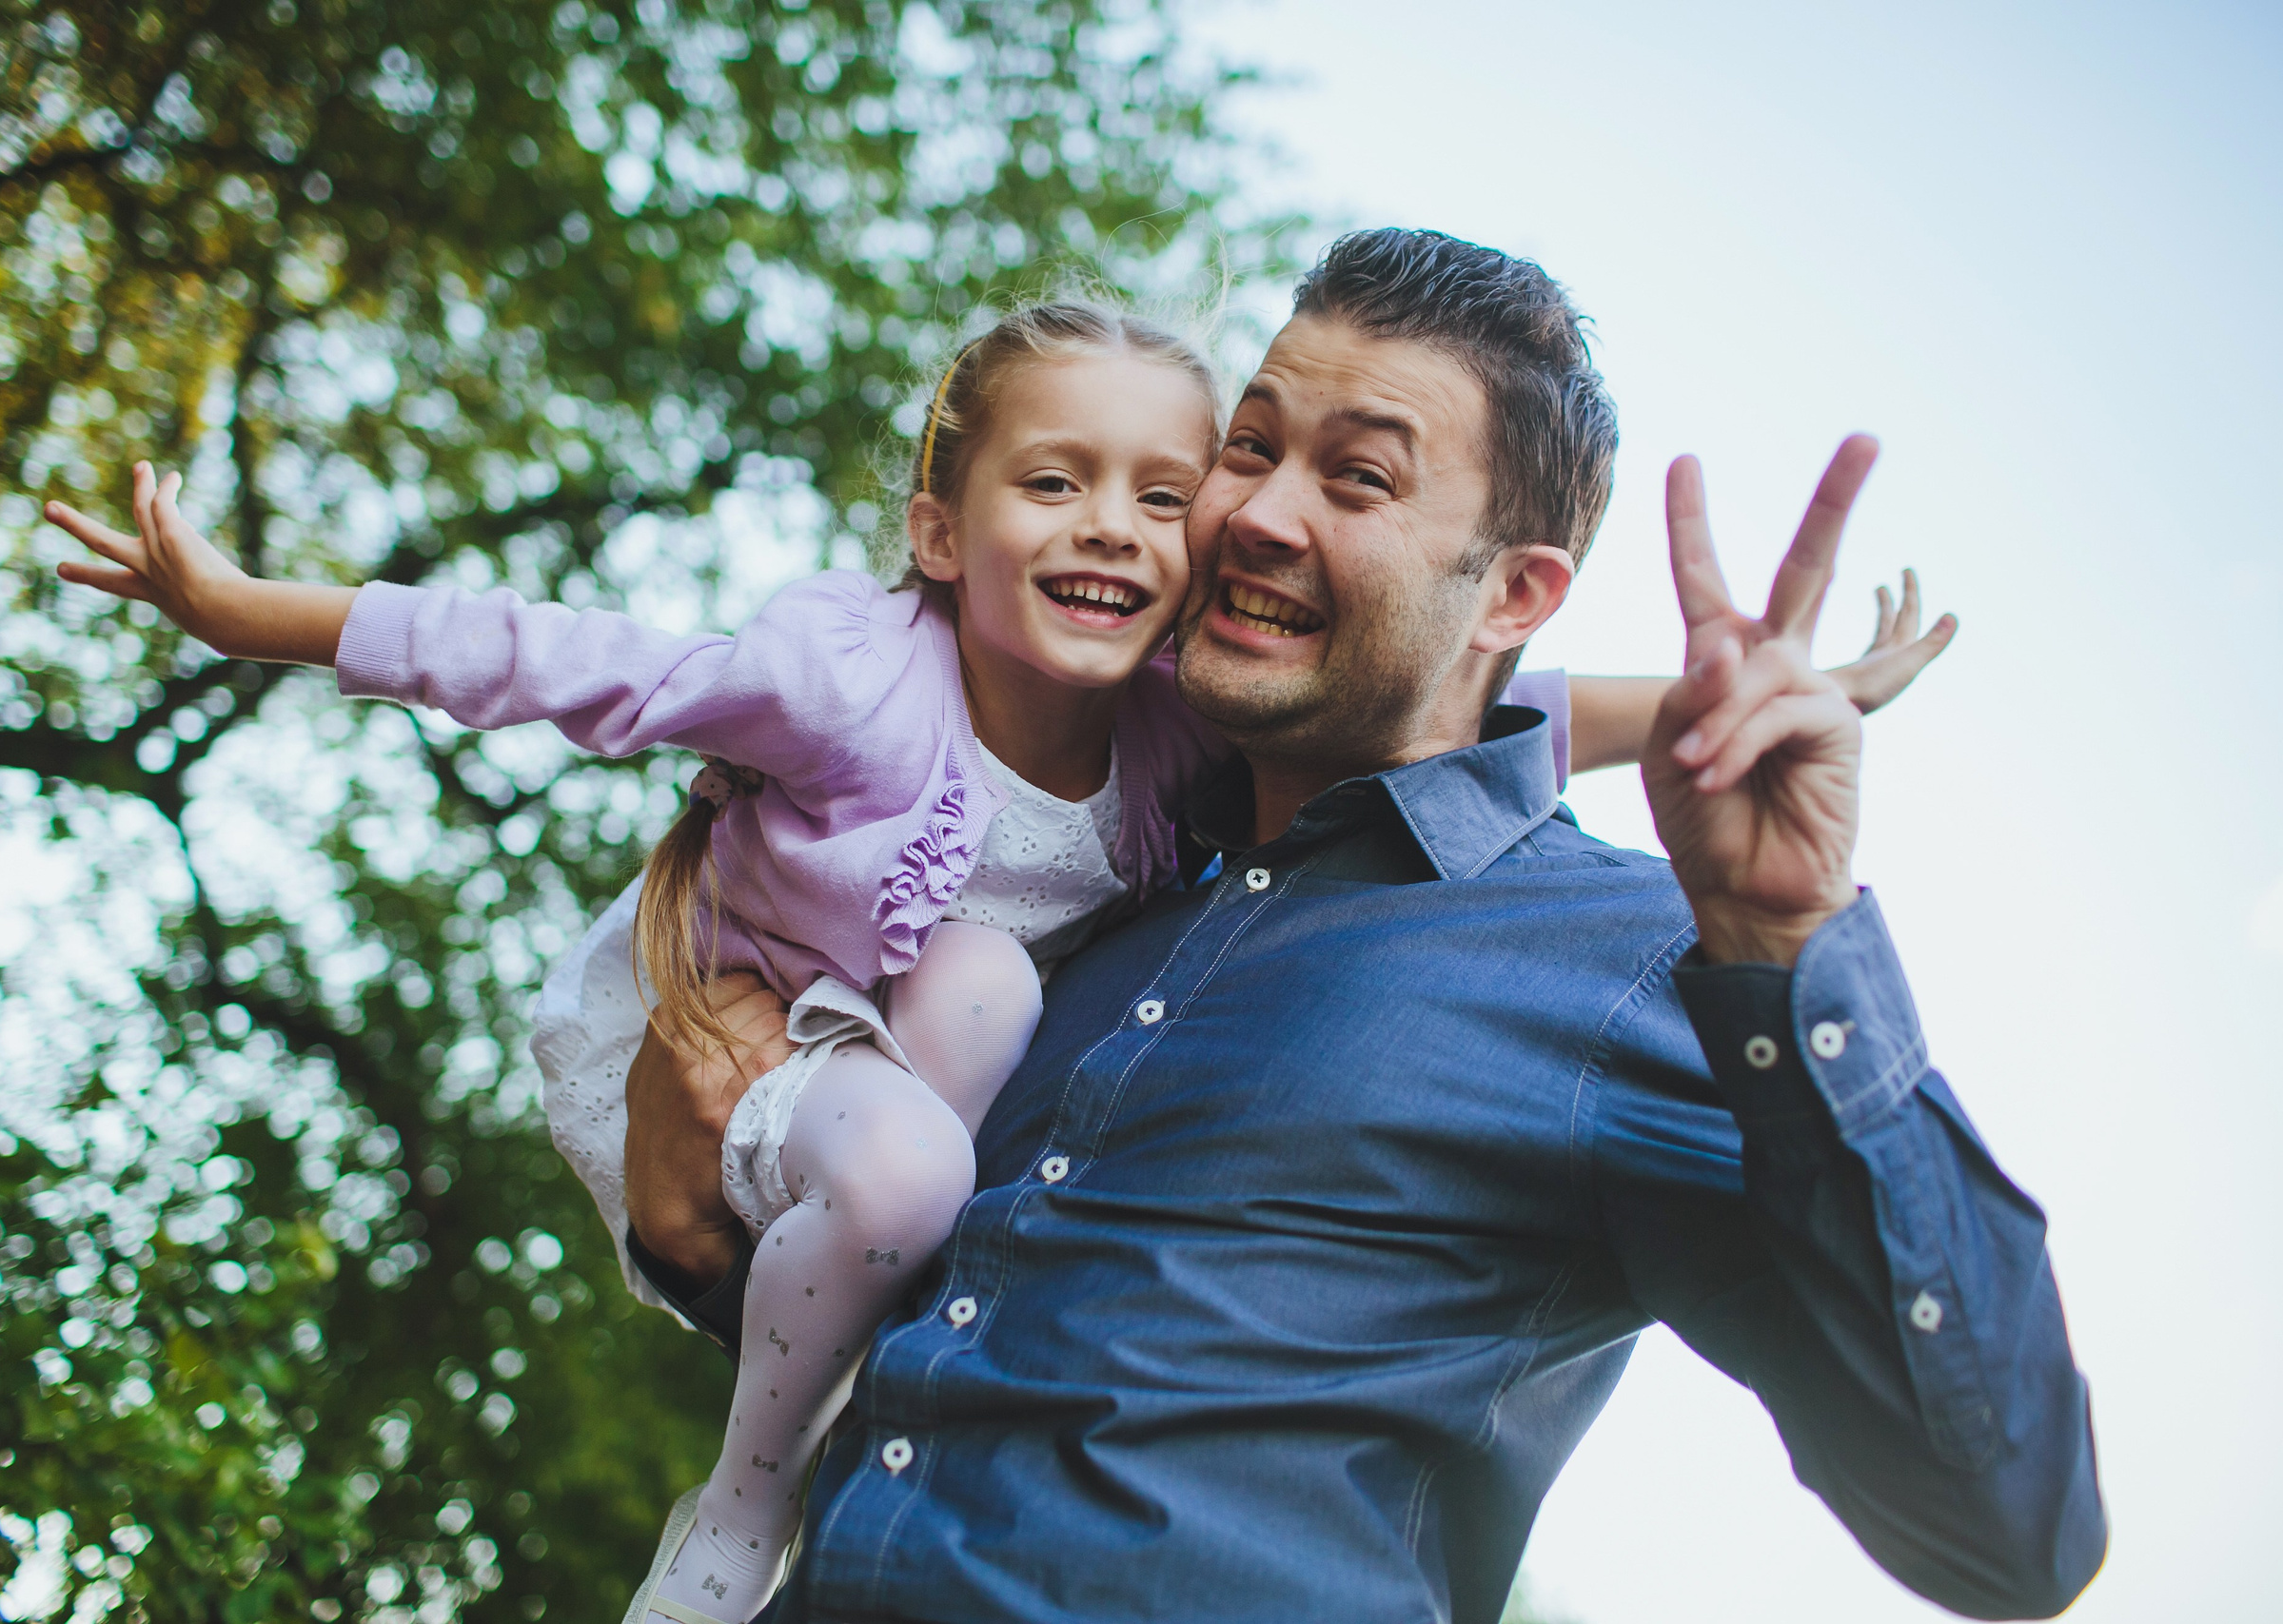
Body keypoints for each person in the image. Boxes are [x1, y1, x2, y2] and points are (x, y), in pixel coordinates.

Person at [45, 284, 1950, 1624]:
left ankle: (791, 1405)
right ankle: (742, 1496)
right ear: (939, 529)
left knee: (980, 995)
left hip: (903, 1071)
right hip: (773, 1049)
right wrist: (253, 610)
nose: (1139, 525)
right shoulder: (873, 698)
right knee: (944, 1084)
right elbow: (556, 658)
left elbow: (1508, 697)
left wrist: (1749, 714)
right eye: (1067, 481)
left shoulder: (1211, 762)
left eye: (1167, 489)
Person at [620, 230, 2106, 1624]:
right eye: (1251, 447)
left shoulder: (1635, 964)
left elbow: (2010, 1525)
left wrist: (1788, 948)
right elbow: (935, 1346)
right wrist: (693, 1225)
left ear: (1512, 597)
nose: (1258, 515)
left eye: (1359, 479)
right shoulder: (1080, 914)